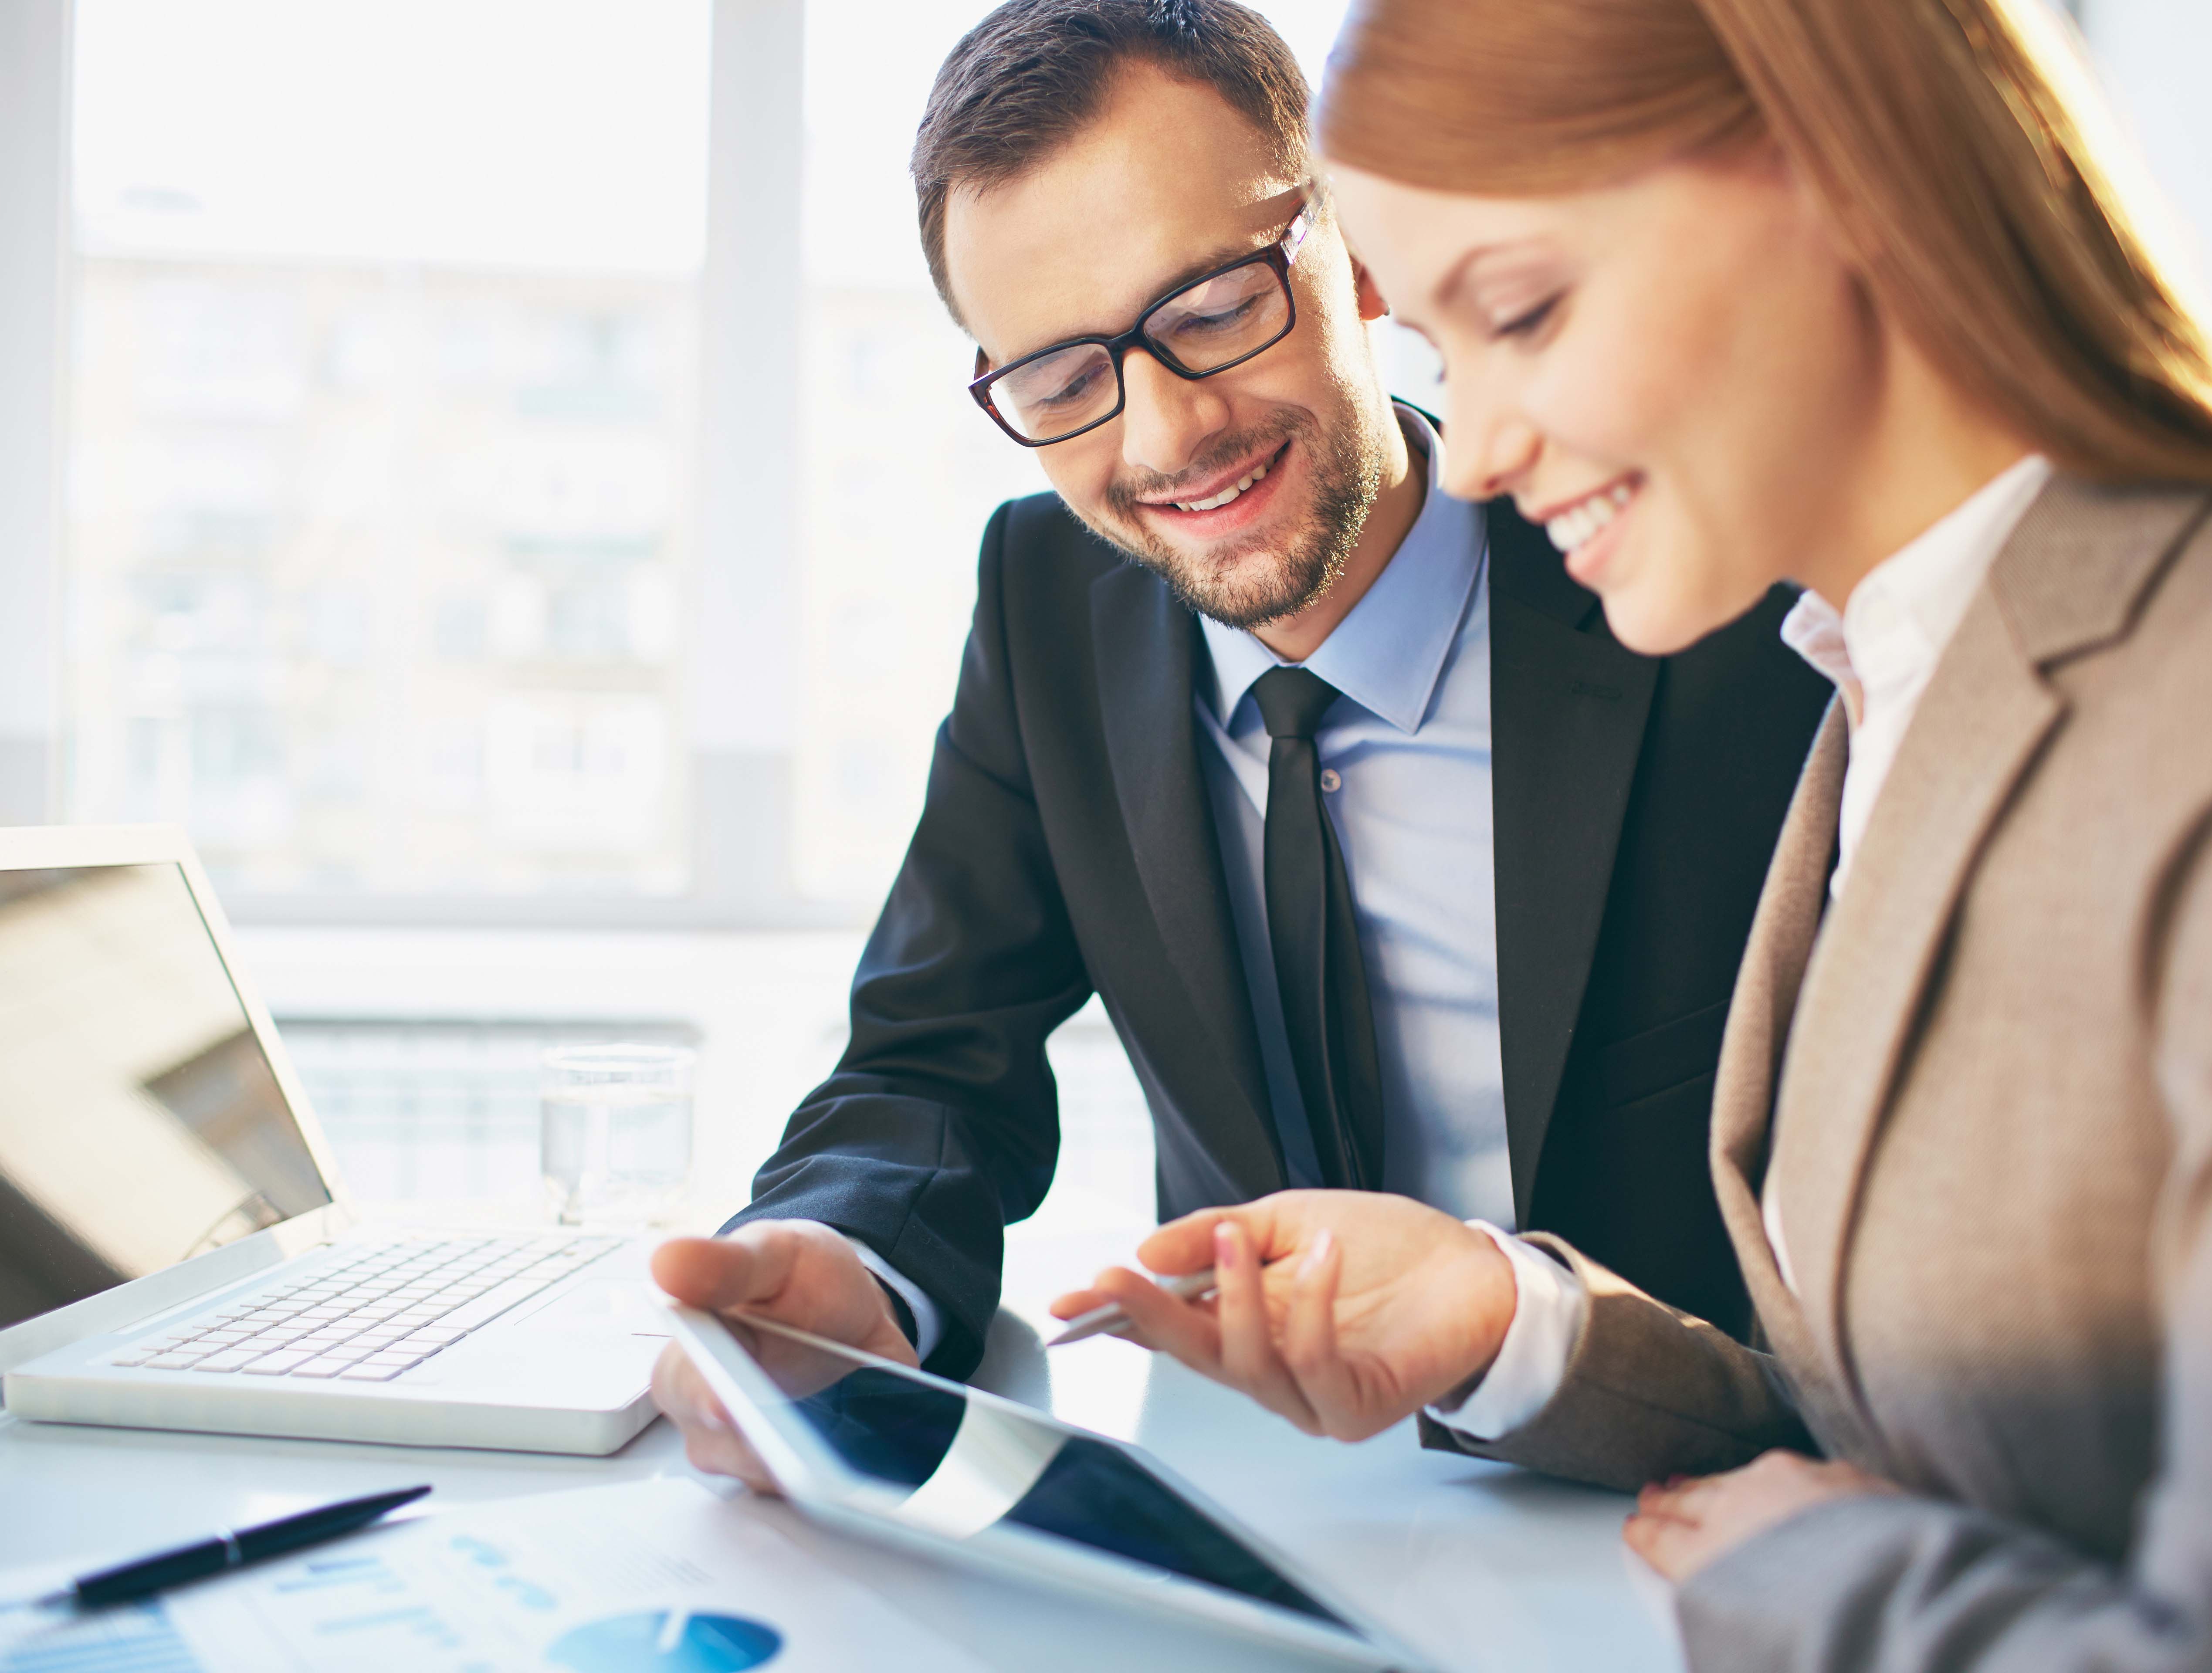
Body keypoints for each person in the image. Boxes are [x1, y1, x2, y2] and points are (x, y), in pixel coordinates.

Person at [1059, 0, 2212, 1665]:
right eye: (1456, 361)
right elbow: (1917, 1435)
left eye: (1523, 311)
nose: (1480, 457)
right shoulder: (1876, 688)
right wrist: (1510, 1321)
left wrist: (1826, 1588)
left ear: (1840, 174)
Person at [645, 0, 1829, 1485]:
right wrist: (844, 1267)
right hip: (1257, 1503)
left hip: (1687, 1497)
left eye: (1210, 310)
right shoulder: (1048, 599)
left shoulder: (1715, 592)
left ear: (1359, 248)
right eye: (1064, 382)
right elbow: (935, 1061)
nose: (1161, 441)